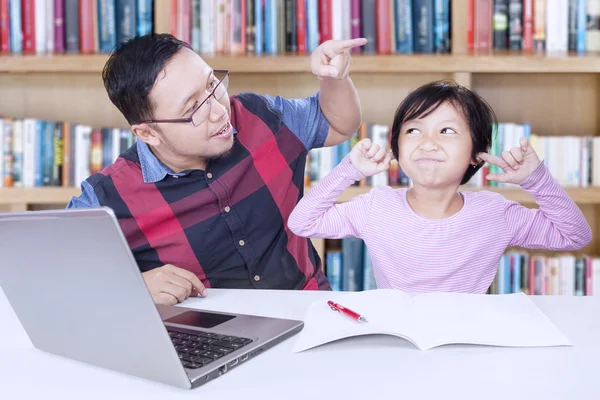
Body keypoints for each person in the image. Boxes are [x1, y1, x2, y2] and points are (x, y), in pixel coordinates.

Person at [67, 33, 368, 305]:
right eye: (193, 109)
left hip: (309, 311)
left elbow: (339, 123)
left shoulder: (259, 116)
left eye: (212, 85)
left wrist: (334, 78)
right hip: (209, 341)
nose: (219, 110)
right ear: (148, 133)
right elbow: (45, 274)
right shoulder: (107, 196)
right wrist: (132, 286)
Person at [287, 80, 592, 293]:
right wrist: (349, 170)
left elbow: (574, 235)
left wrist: (536, 179)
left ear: (477, 151)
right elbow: (302, 223)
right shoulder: (376, 205)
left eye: (446, 130)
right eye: (414, 130)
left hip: (467, 343)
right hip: (397, 341)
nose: (428, 143)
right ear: (397, 147)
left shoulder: (495, 213)